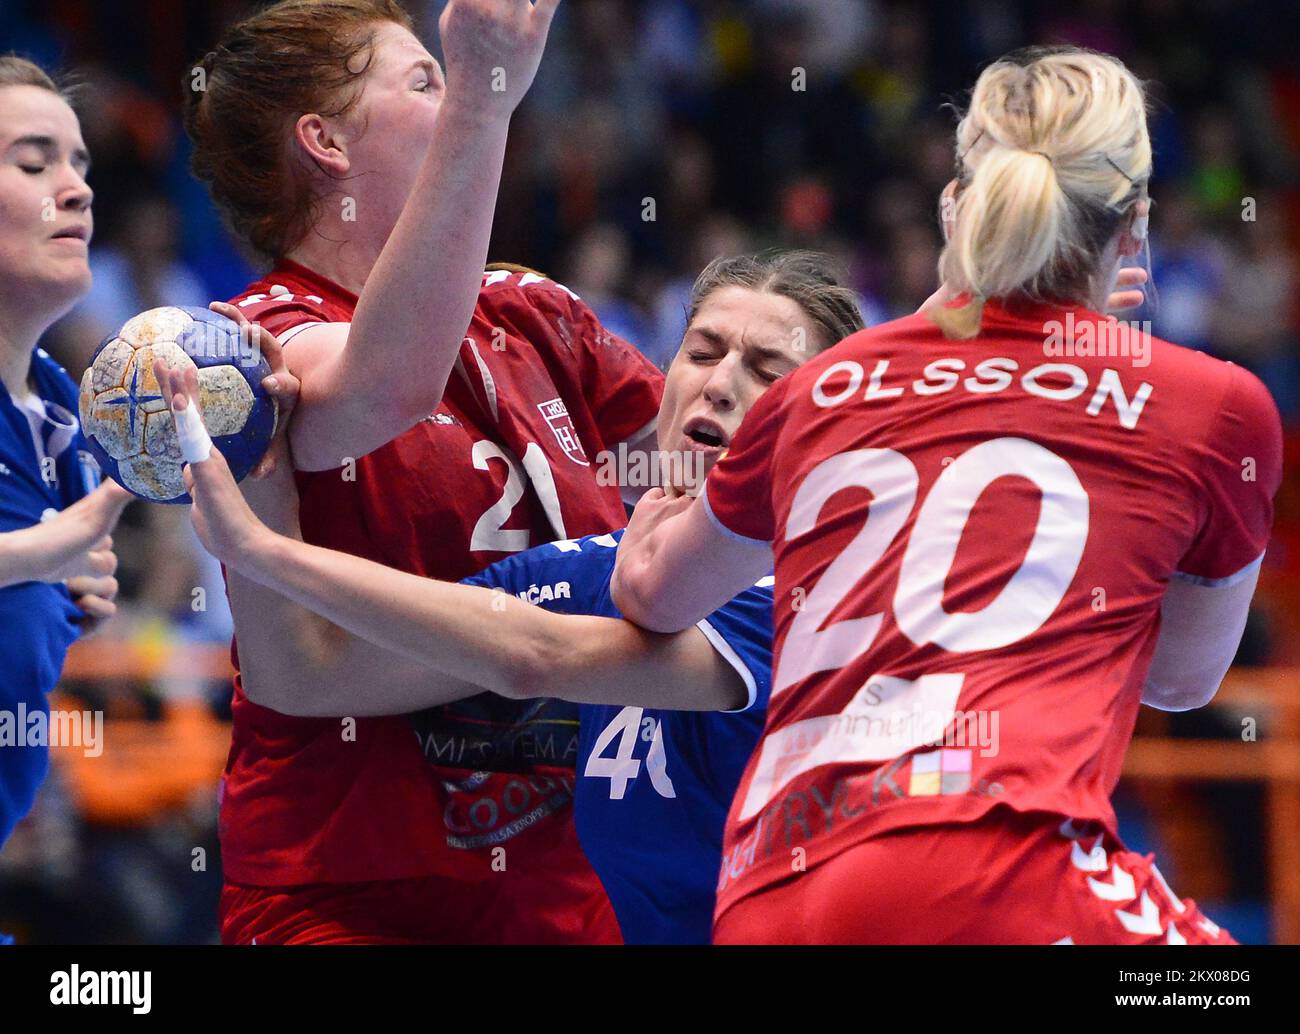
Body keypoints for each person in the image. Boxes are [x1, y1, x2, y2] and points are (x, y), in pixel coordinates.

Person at [609, 46, 1282, 945]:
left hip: (770, 895)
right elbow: (1183, 680)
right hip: (1001, 863)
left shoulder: (824, 384)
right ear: (1137, 229)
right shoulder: (1212, 404)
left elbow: (654, 593)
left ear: (954, 208)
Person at [155, 250, 861, 944]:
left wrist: (260, 549)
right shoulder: (599, 574)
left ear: (826, 427)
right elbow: (307, 673)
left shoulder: (811, 583)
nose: (721, 384)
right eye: (702, 353)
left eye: (768, 372)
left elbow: (533, 655)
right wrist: (259, 458)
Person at [183, 0, 665, 943]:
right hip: (347, 893)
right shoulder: (252, 341)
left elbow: (703, 473)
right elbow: (386, 382)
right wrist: (485, 99)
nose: (449, 101)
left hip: (565, 882)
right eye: (424, 81)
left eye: (447, 81)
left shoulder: (533, 311)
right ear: (323, 143)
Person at [0, 55, 129, 848]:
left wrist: (58, 589)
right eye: (34, 162)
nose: (77, 187)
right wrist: (47, 551)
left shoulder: (57, 401)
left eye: (79, 162)